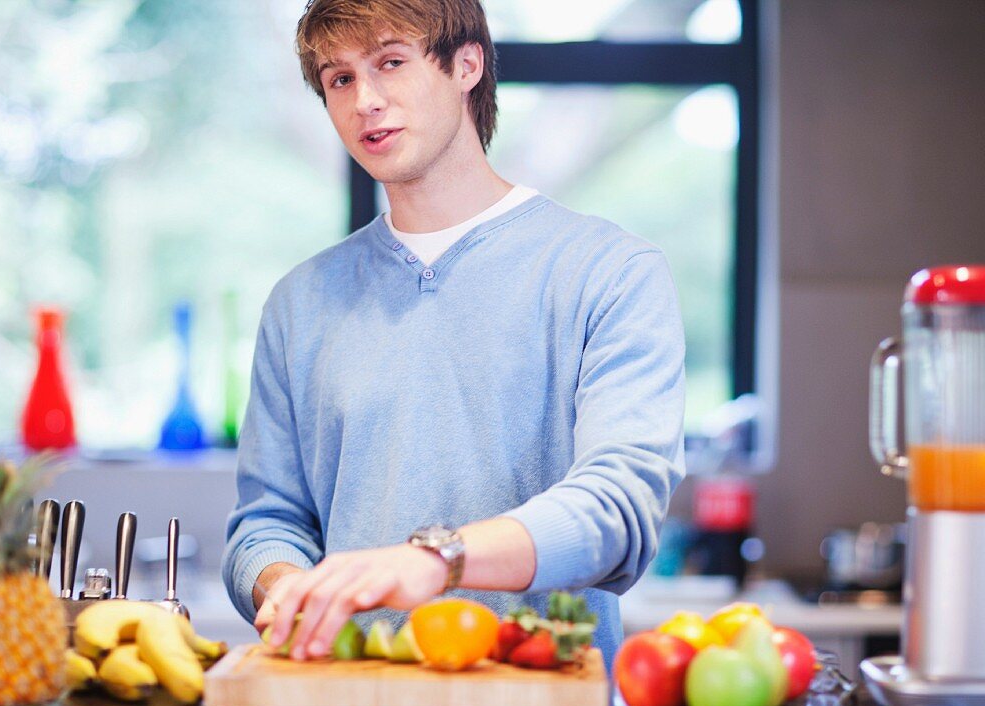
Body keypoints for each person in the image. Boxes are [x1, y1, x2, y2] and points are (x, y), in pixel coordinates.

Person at [221, 0, 686, 670]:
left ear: (467, 64)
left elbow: (620, 509)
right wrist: (288, 586)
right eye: (339, 79)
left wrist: (439, 559)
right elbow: (265, 524)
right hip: (351, 703)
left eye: (390, 62)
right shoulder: (299, 303)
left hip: (545, 705)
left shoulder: (610, 272)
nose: (366, 101)